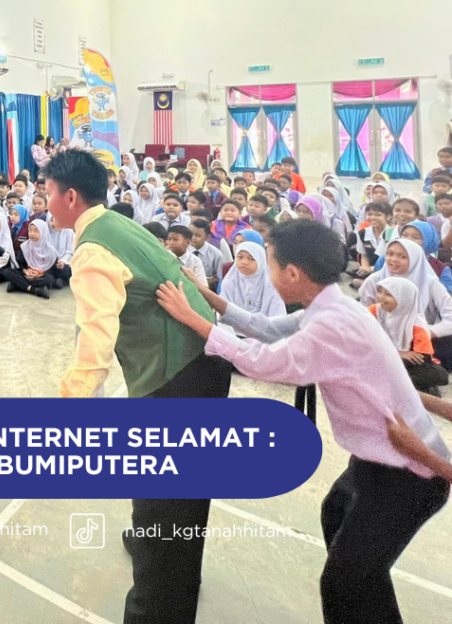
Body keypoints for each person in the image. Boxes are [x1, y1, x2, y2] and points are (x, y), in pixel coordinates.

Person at [156, 219, 451, 624]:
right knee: (340, 525)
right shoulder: (333, 305)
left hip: (410, 471)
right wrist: (205, 295)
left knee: (343, 582)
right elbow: (267, 328)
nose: (269, 273)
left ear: (293, 273)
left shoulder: (331, 325)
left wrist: (193, 319)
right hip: (377, 460)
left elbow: (264, 361)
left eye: (272, 265)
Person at [46, 149, 229, 624]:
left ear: (70, 196)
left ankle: (159, 607)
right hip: (199, 364)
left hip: (178, 379)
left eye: (48, 193)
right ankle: (165, 553)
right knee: (181, 497)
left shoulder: (92, 250)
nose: (45, 203)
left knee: (167, 505)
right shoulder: (117, 224)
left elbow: (95, 336)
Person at [358, 238, 452, 370]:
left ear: (415, 259)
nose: (393, 259)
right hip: (383, 337)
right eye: (390, 254)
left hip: (420, 338)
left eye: (402, 256)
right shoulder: (375, 280)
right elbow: (363, 317)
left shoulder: (431, 284)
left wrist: (425, 332)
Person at [369, 278, 450, 394]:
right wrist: (399, 353)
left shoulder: (416, 324)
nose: (381, 297)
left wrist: (399, 356)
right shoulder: (375, 310)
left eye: (388, 294)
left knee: (440, 375)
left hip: (407, 364)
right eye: (379, 291)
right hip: (382, 356)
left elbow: (422, 358)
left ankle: (399, 384)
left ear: (404, 299)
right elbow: (363, 337)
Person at [218, 241, 286, 318]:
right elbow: (222, 311)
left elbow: (278, 315)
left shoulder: (271, 286)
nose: (244, 262)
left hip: (265, 324)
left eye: (251, 259)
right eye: (240, 257)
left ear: (260, 260)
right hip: (231, 324)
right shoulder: (229, 282)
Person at [3, 219, 57, 299]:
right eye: (30, 230)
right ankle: (33, 289)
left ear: (43, 232)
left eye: (36, 231)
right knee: (7, 272)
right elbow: (21, 263)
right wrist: (25, 271)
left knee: (50, 279)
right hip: (27, 274)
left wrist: (38, 274)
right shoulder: (25, 246)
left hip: (40, 276)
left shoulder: (50, 250)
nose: (32, 234)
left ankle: (18, 284)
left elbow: (52, 268)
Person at [189, 218, 224, 290]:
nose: (192, 238)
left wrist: (200, 284)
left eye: (197, 235)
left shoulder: (216, 254)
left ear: (207, 237)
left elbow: (218, 277)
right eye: (190, 234)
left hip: (207, 288)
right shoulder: (182, 249)